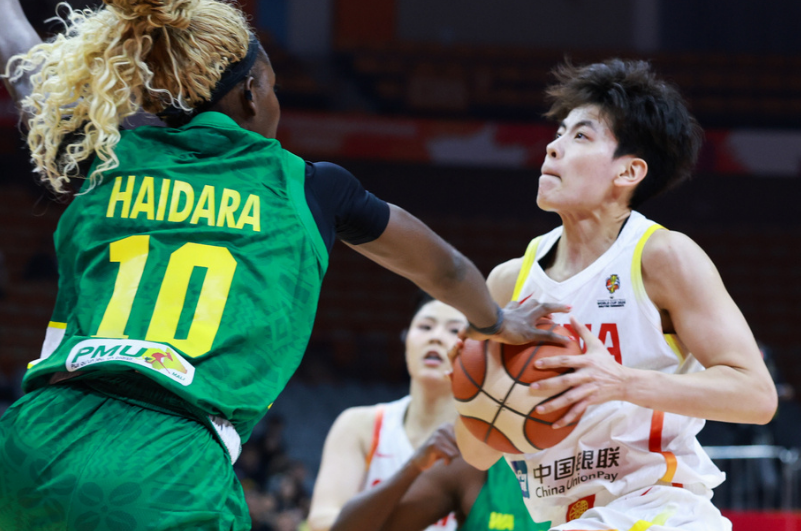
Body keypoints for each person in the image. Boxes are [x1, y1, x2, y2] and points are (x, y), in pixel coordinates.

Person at [0, 1, 568, 530]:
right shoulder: (309, 187)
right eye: (274, 86)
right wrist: (496, 320)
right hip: (168, 463)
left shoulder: (111, 155)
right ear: (252, 94)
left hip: (35, 436)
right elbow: (444, 270)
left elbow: (22, 64)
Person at [453, 59, 778, 531]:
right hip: (565, 516)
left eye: (580, 136)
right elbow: (477, 453)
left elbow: (756, 396)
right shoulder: (509, 281)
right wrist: (476, 394)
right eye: (559, 133)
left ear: (628, 171)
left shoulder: (662, 257)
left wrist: (621, 382)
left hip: (659, 510)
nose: (554, 146)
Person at [309, 294, 544, 531]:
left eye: (454, 330)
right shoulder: (360, 424)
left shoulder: (485, 446)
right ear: (405, 338)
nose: (436, 337)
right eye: (425, 326)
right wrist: (413, 467)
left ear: (477, 350)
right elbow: (322, 524)